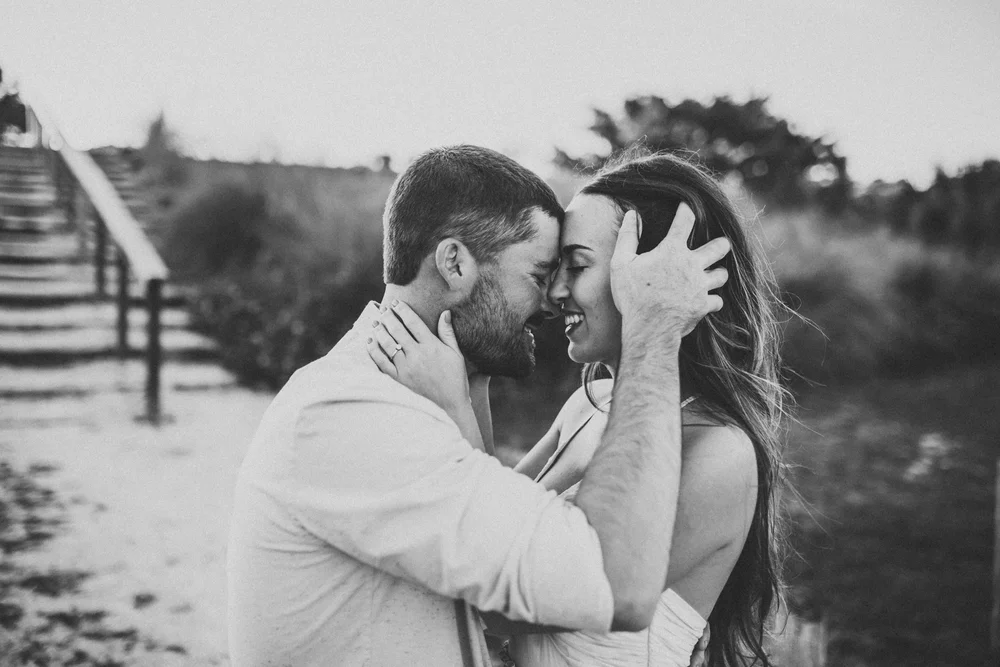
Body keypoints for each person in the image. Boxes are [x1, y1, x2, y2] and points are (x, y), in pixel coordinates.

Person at [226, 145, 732, 666]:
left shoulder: (387, 397)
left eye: (573, 267)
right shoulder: (356, 415)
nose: (551, 298)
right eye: (539, 274)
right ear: (454, 263)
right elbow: (608, 583)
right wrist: (654, 326)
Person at [368, 148, 788, 666]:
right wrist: (473, 372)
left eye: (579, 266)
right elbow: (491, 527)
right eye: (553, 269)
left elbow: (497, 605)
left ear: (653, 277)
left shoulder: (720, 454)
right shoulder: (587, 408)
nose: (555, 292)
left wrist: (455, 406)